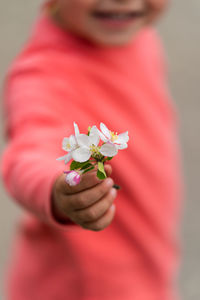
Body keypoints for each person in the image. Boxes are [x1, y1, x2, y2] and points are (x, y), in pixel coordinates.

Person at [1, 0, 183, 299]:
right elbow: (26, 155)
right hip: (87, 287)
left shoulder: (140, 38)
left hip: (148, 264)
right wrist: (59, 191)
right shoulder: (43, 75)